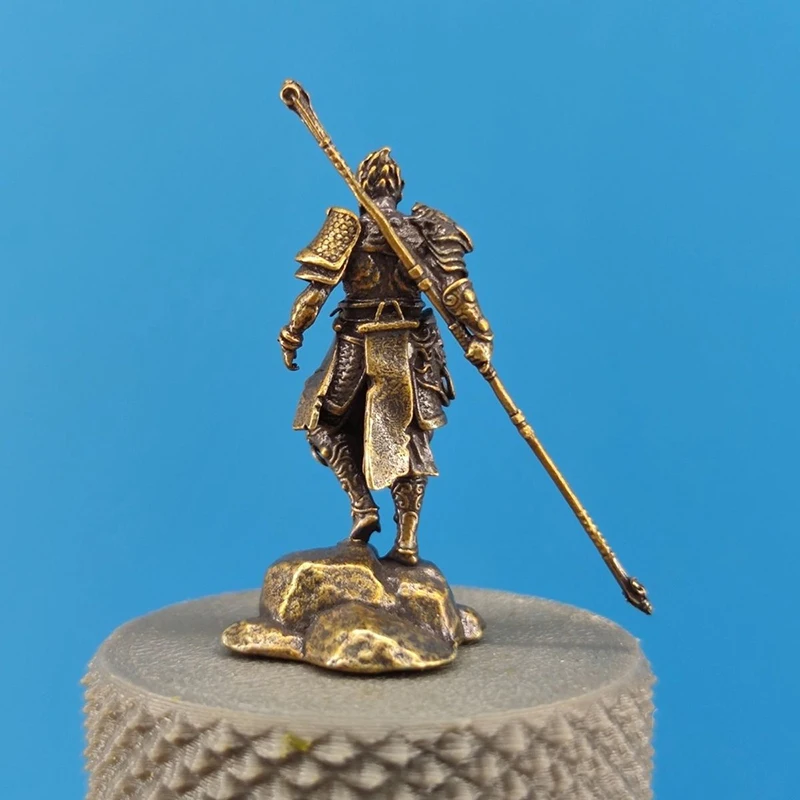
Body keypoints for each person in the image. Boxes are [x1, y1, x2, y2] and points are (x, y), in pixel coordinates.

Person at [278, 148, 493, 565]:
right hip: (412, 347)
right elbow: (457, 293)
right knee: (411, 439)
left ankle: (362, 504)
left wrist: (293, 332)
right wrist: (481, 334)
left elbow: (315, 294)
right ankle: (406, 538)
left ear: (361, 185)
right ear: (399, 188)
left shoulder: (348, 231)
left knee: (322, 422)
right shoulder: (427, 229)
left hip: (358, 345)